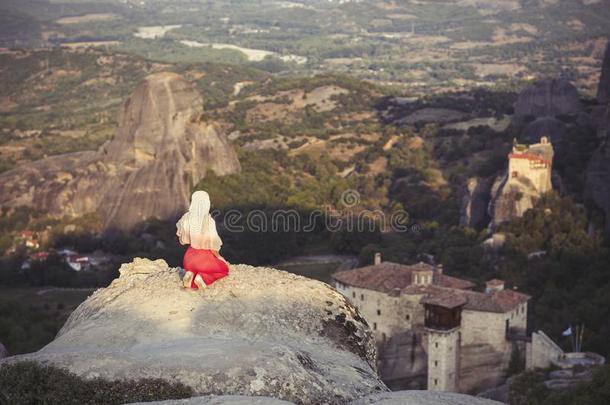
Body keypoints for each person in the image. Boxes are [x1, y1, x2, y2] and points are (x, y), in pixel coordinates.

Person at [176, 191, 229, 289]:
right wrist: (220, 258)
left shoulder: (186, 218)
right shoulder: (209, 221)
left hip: (188, 259)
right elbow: (213, 246)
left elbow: (184, 240)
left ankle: (190, 276)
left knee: (196, 269)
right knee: (224, 270)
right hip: (204, 259)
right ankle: (203, 277)